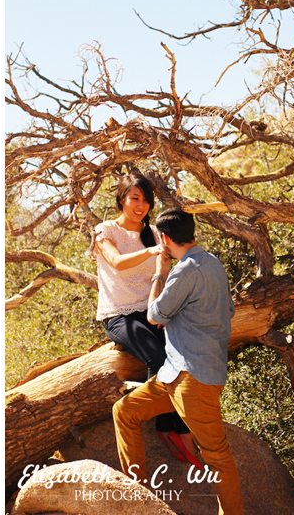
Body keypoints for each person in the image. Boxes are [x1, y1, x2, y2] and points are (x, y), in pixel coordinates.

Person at [112, 207, 244, 515]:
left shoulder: (185, 270)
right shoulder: (213, 263)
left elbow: (154, 314)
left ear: (165, 237)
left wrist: (160, 270)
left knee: (217, 456)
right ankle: (140, 502)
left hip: (193, 380)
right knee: (125, 411)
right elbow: (230, 311)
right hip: (174, 376)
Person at [92, 173, 197, 465]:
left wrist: (163, 310)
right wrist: (151, 250)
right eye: (134, 198)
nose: (141, 205)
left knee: (183, 356)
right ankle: (164, 427)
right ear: (121, 199)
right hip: (119, 314)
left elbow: (163, 275)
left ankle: (181, 430)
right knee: (158, 358)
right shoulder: (105, 231)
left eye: (146, 200)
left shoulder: (153, 231)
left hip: (151, 308)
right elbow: (116, 262)